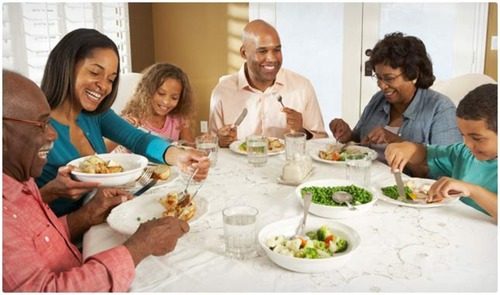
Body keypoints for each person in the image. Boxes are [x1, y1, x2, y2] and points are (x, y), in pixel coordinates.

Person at [3, 70, 190, 291]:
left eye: (111, 79)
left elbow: (42, 240)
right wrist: (139, 247)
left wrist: (87, 215)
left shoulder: (21, 181)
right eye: (42, 124)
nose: (52, 134)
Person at [36, 28, 209, 217]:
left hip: (103, 218)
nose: (104, 86)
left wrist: (178, 156)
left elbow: (138, 140)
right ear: (66, 66)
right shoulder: (33, 127)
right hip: (59, 233)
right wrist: (50, 192)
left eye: (111, 79)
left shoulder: (96, 115)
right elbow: (12, 207)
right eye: (95, 72)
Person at [329, 32, 462, 160]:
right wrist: (346, 134)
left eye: (389, 78)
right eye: (378, 77)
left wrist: (394, 140)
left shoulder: (440, 109)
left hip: (408, 183)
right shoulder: (378, 99)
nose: (382, 85)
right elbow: (359, 141)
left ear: (413, 74)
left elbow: (447, 165)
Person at [385, 83, 497, 222]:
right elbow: (425, 154)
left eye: (476, 138)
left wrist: (472, 190)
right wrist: (408, 148)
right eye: (463, 135)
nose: (468, 144)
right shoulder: (463, 153)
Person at [208, 19, 327, 147]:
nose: (272, 59)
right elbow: (210, 148)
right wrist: (220, 142)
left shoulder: (302, 87)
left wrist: (302, 132)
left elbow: (321, 142)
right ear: (244, 53)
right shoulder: (222, 92)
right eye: (262, 51)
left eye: (277, 50)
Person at [108, 63, 195, 153]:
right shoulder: (133, 118)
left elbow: (191, 148)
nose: (166, 102)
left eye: (174, 98)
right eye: (161, 93)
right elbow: (103, 150)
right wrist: (123, 129)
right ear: (148, 91)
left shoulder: (179, 120)